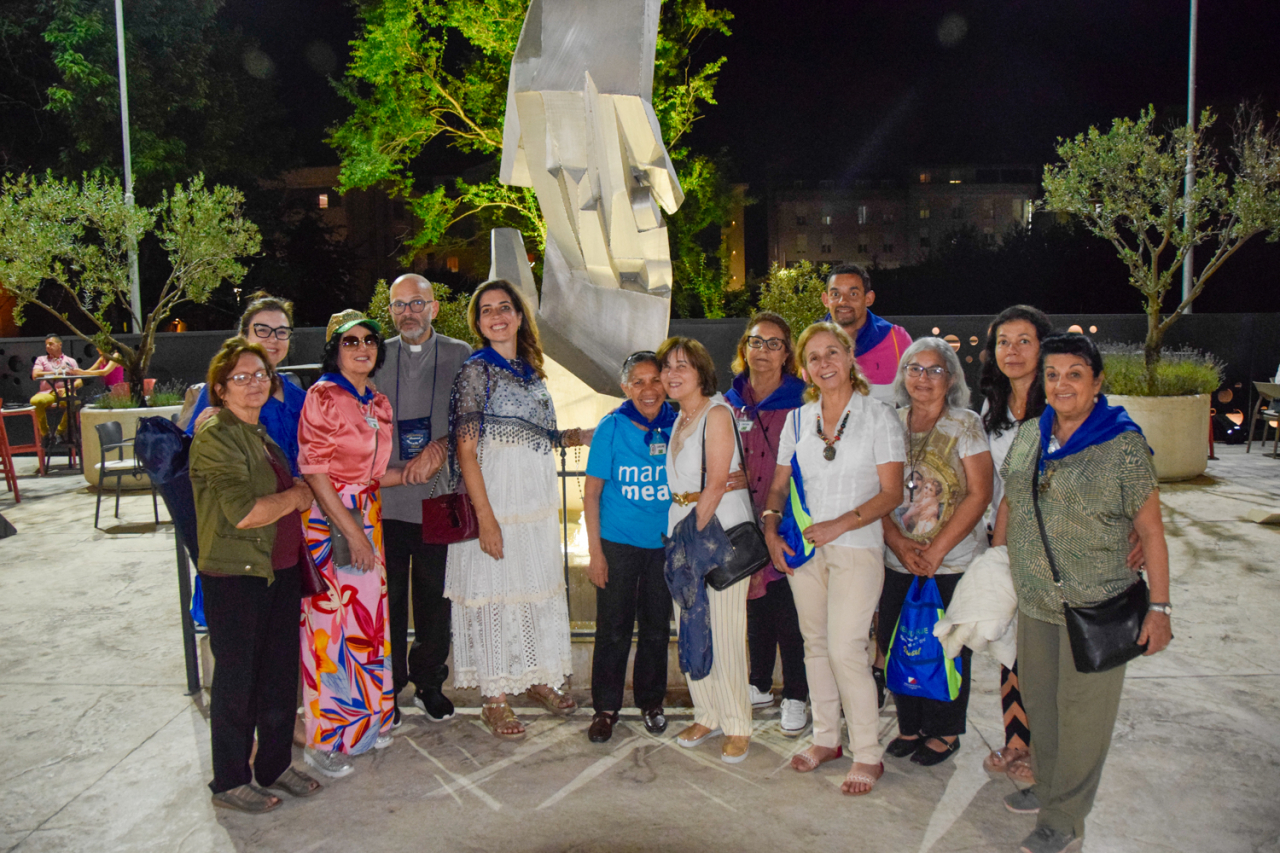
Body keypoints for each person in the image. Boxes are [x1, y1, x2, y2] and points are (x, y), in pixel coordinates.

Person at [993, 333, 1172, 853]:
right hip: (1037, 603)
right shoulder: (1032, 433)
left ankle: (1065, 819)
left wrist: (1159, 609)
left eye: (1075, 374)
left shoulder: (1122, 444)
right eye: (1052, 374)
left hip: (1098, 606)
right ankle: (1049, 788)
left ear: (1097, 383)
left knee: (1083, 717)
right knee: (1042, 705)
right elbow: (1011, 502)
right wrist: (996, 563)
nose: (1061, 384)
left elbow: (1152, 531)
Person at [762, 322, 905, 795]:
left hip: (857, 548)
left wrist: (839, 525)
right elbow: (779, 485)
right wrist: (770, 528)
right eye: (814, 357)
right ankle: (826, 739)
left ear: (848, 356)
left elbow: (891, 493)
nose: (824, 363)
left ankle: (868, 753)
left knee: (847, 649)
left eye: (832, 353)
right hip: (805, 550)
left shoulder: (878, 416)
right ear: (804, 369)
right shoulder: (797, 420)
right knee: (816, 645)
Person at [444, 280, 590, 739]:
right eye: (486, 310)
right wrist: (486, 519)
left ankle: (537, 679)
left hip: (535, 502)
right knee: (495, 594)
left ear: (519, 316)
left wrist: (580, 436)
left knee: (533, 588)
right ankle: (495, 699)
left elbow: (540, 436)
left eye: (504, 307)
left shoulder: (532, 372)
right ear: (478, 322)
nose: (497, 316)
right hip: (497, 500)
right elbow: (466, 451)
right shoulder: (475, 371)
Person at [189, 337, 322, 813]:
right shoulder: (217, 435)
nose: (254, 384)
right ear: (220, 389)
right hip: (236, 576)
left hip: (277, 571)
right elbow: (244, 512)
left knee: (278, 677)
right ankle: (230, 781)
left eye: (261, 375)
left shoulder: (258, 433)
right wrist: (297, 496)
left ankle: (274, 766)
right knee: (238, 683)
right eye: (241, 377)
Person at [298, 310, 405, 777]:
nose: (362, 348)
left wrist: (418, 468)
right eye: (350, 341)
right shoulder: (323, 396)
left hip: (366, 514)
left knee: (367, 623)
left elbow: (373, 473)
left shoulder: (376, 401)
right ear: (334, 350)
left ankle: (366, 723)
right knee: (330, 627)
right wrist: (352, 533)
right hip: (332, 521)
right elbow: (314, 470)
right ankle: (325, 740)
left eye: (370, 340)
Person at [879, 337, 992, 767]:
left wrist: (937, 552)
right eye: (914, 368)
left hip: (951, 562)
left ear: (951, 379)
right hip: (898, 558)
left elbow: (979, 493)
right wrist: (898, 542)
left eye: (934, 370)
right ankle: (909, 726)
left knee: (946, 647)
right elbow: (874, 491)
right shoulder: (890, 422)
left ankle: (944, 730)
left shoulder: (965, 424)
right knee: (898, 640)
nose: (923, 378)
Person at [380, 273, 473, 725]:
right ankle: (389, 686)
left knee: (436, 599)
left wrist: (442, 445)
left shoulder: (460, 354)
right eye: (399, 305)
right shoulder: (376, 355)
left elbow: (475, 419)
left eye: (416, 303)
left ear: (433, 307)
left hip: (440, 498)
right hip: (387, 501)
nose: (408, 313)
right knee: (390, 601)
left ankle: (429, 683)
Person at [659, 336, 755, 764]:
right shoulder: (681, 418)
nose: (672, 374)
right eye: (667, 367)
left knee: (726, 632)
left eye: (683, 365)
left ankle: (737, 724)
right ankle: (707, 713)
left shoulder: (716, 413)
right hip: (684, 531)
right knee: (692, 625)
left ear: (701, 372)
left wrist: (691, 543)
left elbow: (716, 483)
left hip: (716, 537)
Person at [724, 312, 810, 736]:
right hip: (742, 516)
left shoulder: (803, 400)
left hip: (787, 515)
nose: (763, 351)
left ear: (787, 353)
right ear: (745, 348)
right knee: (755, 601)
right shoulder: (730, 400)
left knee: (789, 609)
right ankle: (759, 683)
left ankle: (796, 694)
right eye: (756, 342)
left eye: (774, 344)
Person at [582, 351, 675, 743]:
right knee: (613, 628)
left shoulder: (681, 423)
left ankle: (651, 703)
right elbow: (591, 493)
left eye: (655, 380)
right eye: (638, 382)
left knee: (656, 628)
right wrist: (595, 553)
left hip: (664, 546)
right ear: (625, 387)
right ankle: (605, 708)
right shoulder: (612, 426)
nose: (648, 389)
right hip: (618, 543)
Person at [977, 305, 1052, 783]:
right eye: (1004, 342)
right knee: (1011, 646)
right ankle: (1018, 740)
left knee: (1045, 650)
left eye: (1025, 341)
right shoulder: (994, 407)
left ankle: (1047, 749)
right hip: (1004, 539)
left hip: (1053, 545)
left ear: (1044, 347)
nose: (1013, 351)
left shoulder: (1063, 400)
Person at [186, 293, 307, 476]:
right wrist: (199, 431)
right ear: (243, 335)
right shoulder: (226, 389)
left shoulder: (300, 397)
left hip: (305, 492)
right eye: (262, 330)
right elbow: (194, 456)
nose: (273, 339)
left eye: (282, 332)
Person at [819, 264, 912, 401]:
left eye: (853, 294)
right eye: (835, 294)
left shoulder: (896, 339)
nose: (843, 301)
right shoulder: (812, 343)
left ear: (868, 298)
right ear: (826, 300)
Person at [29, 334, 81, 447]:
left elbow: (79, 380)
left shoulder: (70, 361)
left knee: (74, 402)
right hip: (48, 392)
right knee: (36, 401)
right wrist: (56, 373)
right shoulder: (41, 360)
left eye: (51, 344)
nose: (47, 346)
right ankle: (45, 433)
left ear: (59, 345)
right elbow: (35, 374)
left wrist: (69, 388)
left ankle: (59, 432)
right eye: (46, 345)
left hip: (65, 391)